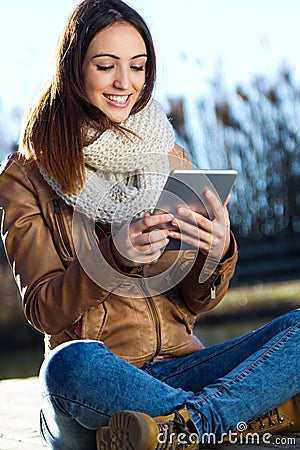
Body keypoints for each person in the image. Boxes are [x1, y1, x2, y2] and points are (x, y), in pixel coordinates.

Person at [0, 0, 299, 449]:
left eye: (138, 67)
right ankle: (240, 420)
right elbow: (45, 310)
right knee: (68, 364)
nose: (126, 83)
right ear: (73, 69)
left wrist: (217, 253)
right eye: (106, 66)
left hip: (183, 368)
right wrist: (112, 258)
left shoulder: (169, 157)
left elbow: (195, 304)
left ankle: (186, 428)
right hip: (99, 381)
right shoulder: (26, 175)